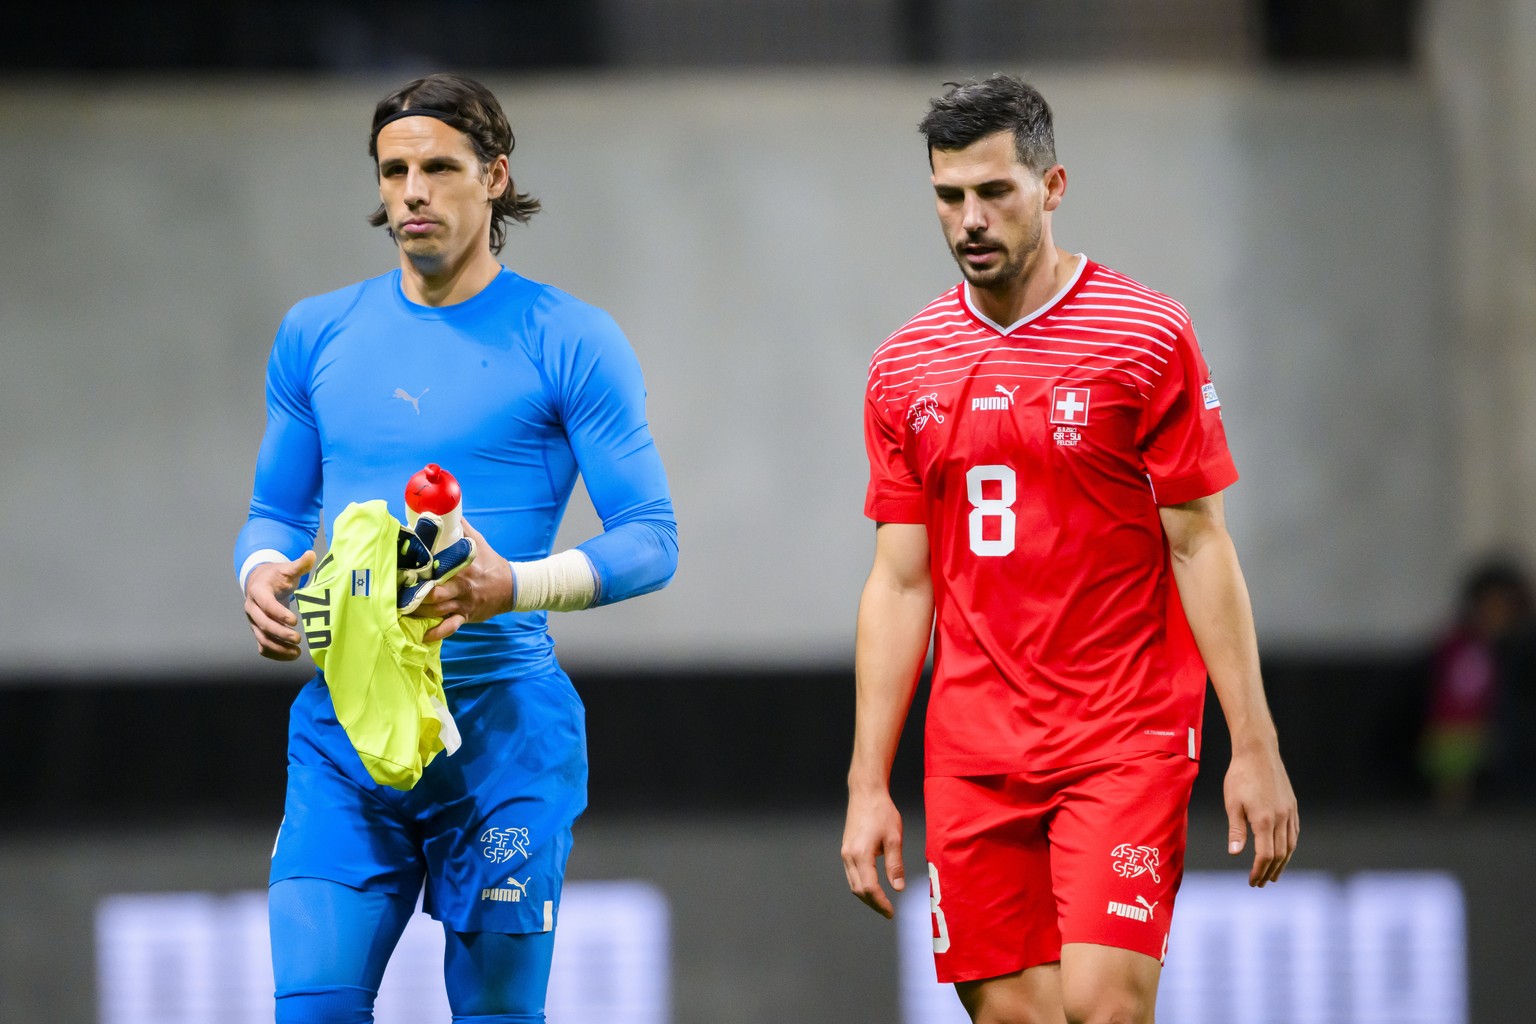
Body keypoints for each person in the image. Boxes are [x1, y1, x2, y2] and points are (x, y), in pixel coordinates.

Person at [839, 76, 1297, 1024]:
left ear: (1051, 187)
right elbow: (899, 581)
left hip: (1122, 734)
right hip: (972, 751)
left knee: (1105, 1005)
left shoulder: (1146, 335)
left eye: (994, 191)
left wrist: (1253, 743)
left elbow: (1200, 544)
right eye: (948, 196)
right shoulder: (904, 366)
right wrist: (867, 782)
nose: (969, 218)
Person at [235, 73, 677, 1024]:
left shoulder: (570, 339)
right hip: (343, 737)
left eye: (438, 167)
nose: (412, 192)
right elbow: (274, 511)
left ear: (495, 177)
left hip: (504, 741)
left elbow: (652, 540)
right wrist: (261, 574)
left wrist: (511, 583)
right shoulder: (318, 334)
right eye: (394, 171)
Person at [1420, 558, 1533, 811]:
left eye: (1504, 607)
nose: (1495, 615)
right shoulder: (1458, 647)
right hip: (1460, 737)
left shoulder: (1523, 650)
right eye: (1489, 606)